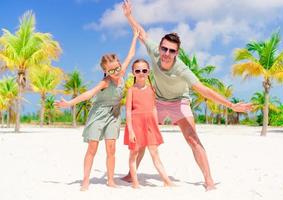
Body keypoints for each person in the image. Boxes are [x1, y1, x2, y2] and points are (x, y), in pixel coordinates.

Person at [121, 0, 252, 191]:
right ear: (159, 47)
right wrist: (129, 16)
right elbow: (141, 32)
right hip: (157, 101)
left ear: (177, 52)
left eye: (171, 51)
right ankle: (130, 173)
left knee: (192, 138)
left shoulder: (182, 69)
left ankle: (208, 180)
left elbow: (204, 90)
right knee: (142, 136)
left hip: (179, 103)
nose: (166, 53)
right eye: (164, 48)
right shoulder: (154, 53)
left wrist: (231, 106)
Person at [55, 29, 139, 191]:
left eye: (117, 68)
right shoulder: (105, 82)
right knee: (92, 147)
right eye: (111, 71)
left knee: (111, 148)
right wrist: (69, 103)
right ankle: (85, 180)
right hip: (98, 115)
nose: (115, 73)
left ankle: (110, 180)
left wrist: (135, 36)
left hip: (114, 115)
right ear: (105, 71)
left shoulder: (121, 73)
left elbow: (131, 54)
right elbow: (88, 94)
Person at [124, 59, 174, 188]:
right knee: (134, 153)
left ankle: (167, 181)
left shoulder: (152, 89)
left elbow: (153, 108)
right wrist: (130, 131)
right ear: (133, 73)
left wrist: (156, 125)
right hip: (135, 125)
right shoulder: (131, 90)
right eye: (138, 71)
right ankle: (134, 182)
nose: (141, 73)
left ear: (148, 72)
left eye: (144, 70)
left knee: (154, 152)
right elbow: (128, 112)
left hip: (150, 125)